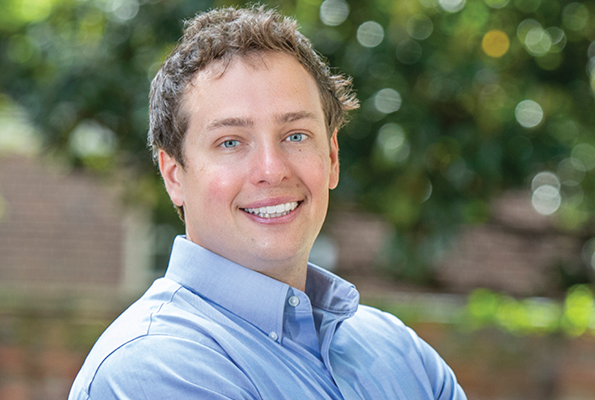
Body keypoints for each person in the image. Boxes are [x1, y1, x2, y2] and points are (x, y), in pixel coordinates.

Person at [68, 4, 466, 400]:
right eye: (230, 142)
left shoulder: (402, 354)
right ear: (174, 175)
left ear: (331, 158)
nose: (272, 170)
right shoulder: (152, 367)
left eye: (295, 135)